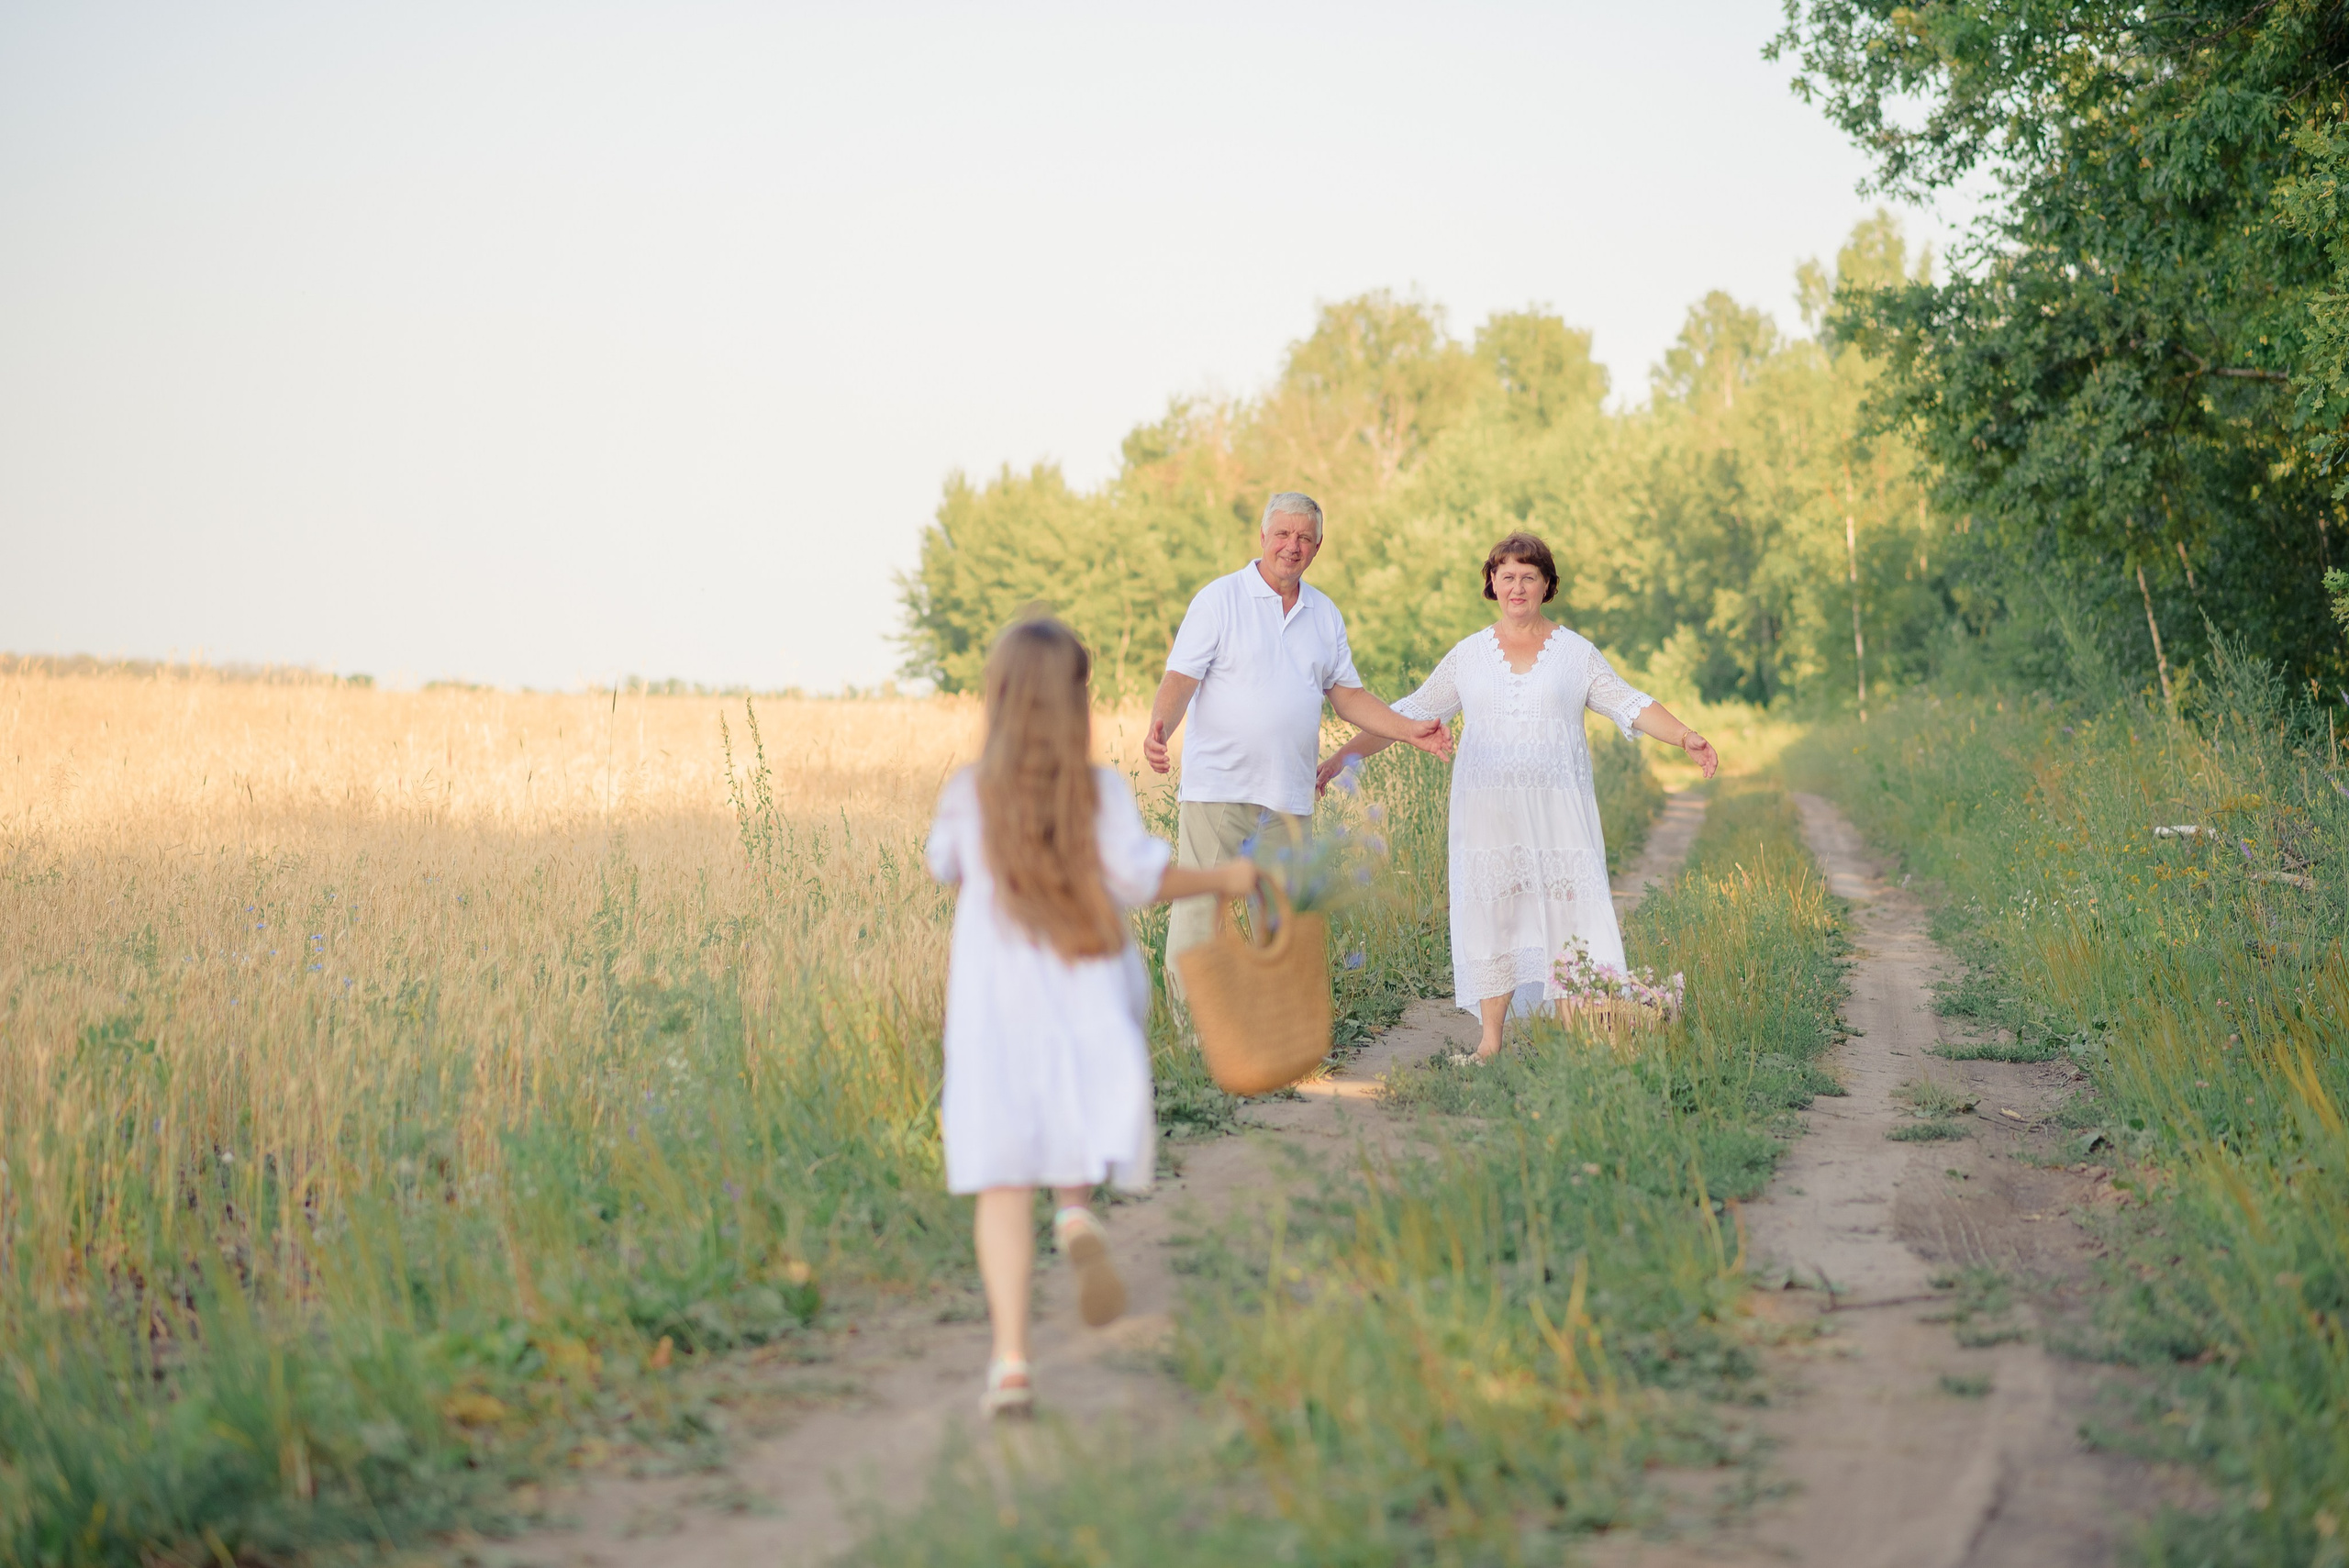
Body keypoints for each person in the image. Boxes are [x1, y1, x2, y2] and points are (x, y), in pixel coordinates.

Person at [926, 617, 1257, 1418]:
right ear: (1076, 700)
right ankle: (1075, 1214)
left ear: (998, 697)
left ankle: (1010, 1361)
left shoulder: (970, 792)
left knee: (1001, 1180)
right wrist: (1228, 875)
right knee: (1069, 1119)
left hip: (996, 1003)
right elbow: (1144, 880)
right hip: (1085, 994)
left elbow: (944, 868)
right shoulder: (1101, 790)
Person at [1318, 532, 1720, 1061]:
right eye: (1506, 575)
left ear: (1547, 585)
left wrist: (1685, 734)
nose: (1517, 586)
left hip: (1560, 814)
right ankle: (1489, 1043)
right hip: (1487, 814)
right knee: (1495, 915)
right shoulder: (1469, 656)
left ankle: (1589, 1033)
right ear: (1491, 583)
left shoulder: (1575, 654)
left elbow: (1630, 702)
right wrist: (1338, 761)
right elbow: (1406, 715)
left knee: (1572, 912)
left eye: (1529, 576)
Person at [1143, 492, 1451, 992]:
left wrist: (1408, 729)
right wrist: (1161, 727)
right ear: (1262, 537)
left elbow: (1347, 695)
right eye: (1283, 534)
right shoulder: (1219, 599)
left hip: (1287, 797)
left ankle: (1272, 1046)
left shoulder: (1324, 613)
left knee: (1283, 927)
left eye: (1304, 537)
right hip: (1220, 789)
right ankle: (1193, 1042)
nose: (1292, 545)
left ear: (1318, 546)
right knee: (1201, 918)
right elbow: (1180, 679)